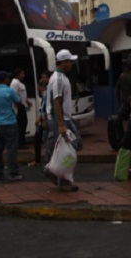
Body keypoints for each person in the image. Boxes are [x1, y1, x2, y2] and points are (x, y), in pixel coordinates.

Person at [44, 49, 82, 192]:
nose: (72, 63)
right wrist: (61, 125)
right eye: (70, 61)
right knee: (66, 148)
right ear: (63, 62)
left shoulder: (61, 77)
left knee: (67, 146)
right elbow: (56, 102)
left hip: (64, 117)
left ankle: (52, 170)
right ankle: (62, 179)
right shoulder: (59, 79)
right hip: (60, 119)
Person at [0, 71, 23, 181]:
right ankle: (13, 173)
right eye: (8, 78)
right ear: (4, 79)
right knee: (12, 149)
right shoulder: (9, 91)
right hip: (10, 122)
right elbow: (18, 102)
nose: (9, 80)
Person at [29, 75, 49, 167]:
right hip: (47, 120)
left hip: (46, 121)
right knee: (41, 140)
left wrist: (40, 118)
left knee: (43, 141)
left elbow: (45, 109)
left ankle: (44, 161)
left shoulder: (45, 94)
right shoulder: (48, 93)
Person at [9, 68, 31, 149]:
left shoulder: (19, 83)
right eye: (22, 73)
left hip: (22, 105)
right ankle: (20, 143)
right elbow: (13, 94)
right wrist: (16, 107)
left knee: (23, 123)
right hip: (19, 106)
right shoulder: (14, 83)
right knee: (21, 124)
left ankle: (22, 141)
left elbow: (21, 94)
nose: (23, 75)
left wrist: (27, 101)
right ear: (18, 74)